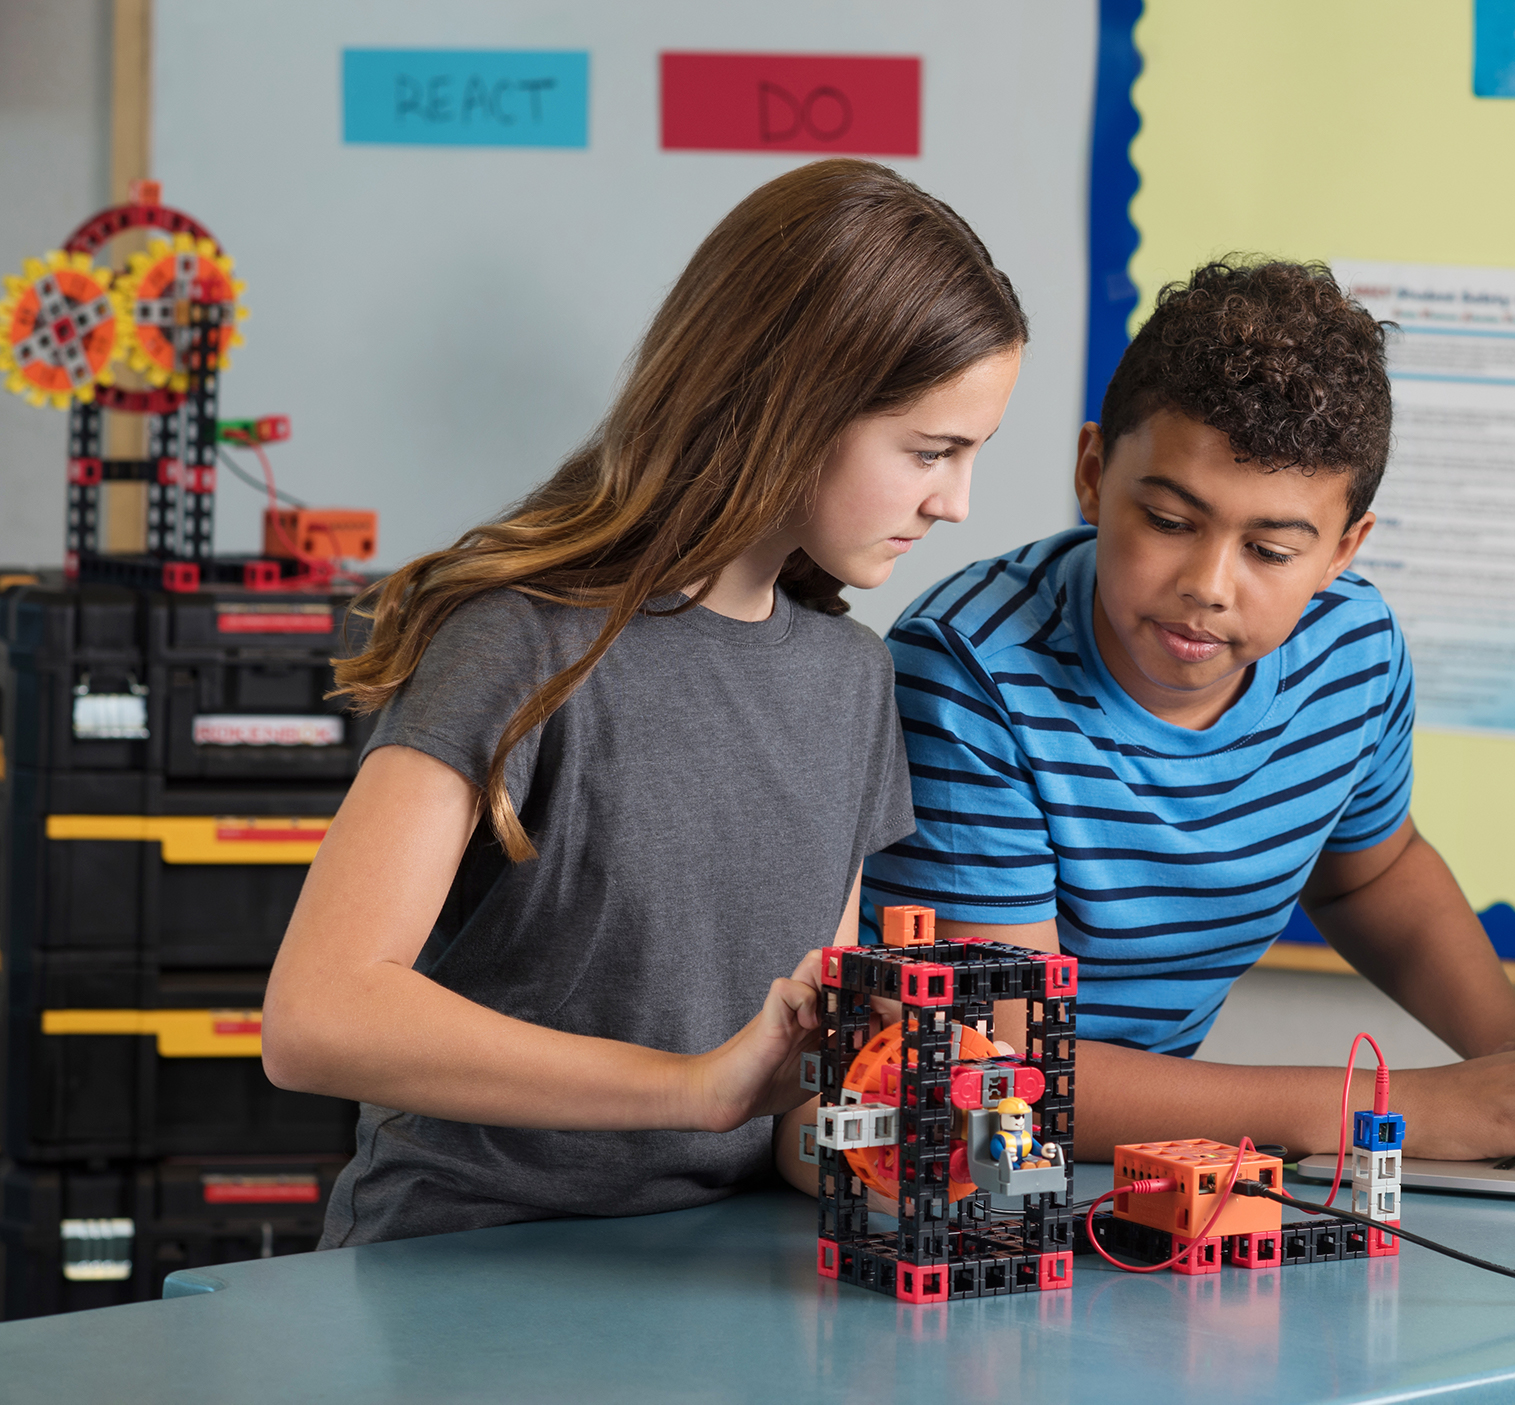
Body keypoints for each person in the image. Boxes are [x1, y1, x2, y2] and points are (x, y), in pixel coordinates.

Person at [260, 159, 1026, 1246]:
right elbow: (316, 1016)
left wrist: (902, 1136)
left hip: (716, 1273)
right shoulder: (521, 640)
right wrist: (694, 1087)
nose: (954, 503)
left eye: (970, 455)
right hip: (470, 1263)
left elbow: (794, 1104)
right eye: (929, 452)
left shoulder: (855, 681)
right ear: (794, 404)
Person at [860, 259, 1515, 1169]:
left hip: (1118, 1173)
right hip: (943, 1167)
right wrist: (1390, 1108)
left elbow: (1372, 877)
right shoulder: (966, 671)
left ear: (1342, 550)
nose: (1207, 588)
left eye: (1269, 549)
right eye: (1171, 520)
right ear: (1094, 473)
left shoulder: (1355, 649)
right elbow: (1007, 1065)